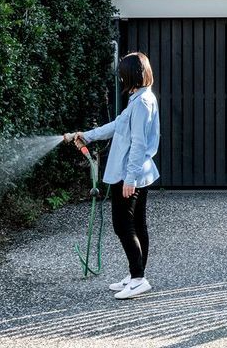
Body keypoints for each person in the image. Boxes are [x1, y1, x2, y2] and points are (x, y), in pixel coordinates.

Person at [65, 52, 161, 299]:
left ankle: (139, 278)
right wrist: (87, 134)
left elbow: (139, 143)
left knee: (122, 225)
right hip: (137, 171)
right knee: (137, 224)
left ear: (132, 74)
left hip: (131, 173)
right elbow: (117, 126)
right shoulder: (139, 98)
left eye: (122, 73)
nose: (120, 78)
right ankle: (135, 274)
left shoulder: (141, 103)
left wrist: (130, 179)